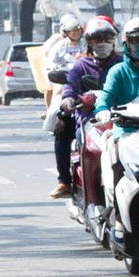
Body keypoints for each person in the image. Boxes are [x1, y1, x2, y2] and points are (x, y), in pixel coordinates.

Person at [58, 17, 121, 208]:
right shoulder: (80, 66)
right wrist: (69, 100)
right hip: (90, 122)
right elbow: (69, 88)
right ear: (88, 42)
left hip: (121, 120)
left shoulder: (123, 64)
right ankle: (88, 197)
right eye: (96, 38)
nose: (101, 43)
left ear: (113, 40)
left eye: (105, 37)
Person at [45, 14, 86, 195]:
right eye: (73, 30)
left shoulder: (117, 63)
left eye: (107, 38)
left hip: (98, 101)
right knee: (61, 125)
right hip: (71, 91)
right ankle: (64, 181)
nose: (102, 44)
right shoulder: (60, 48)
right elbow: (51, 66)